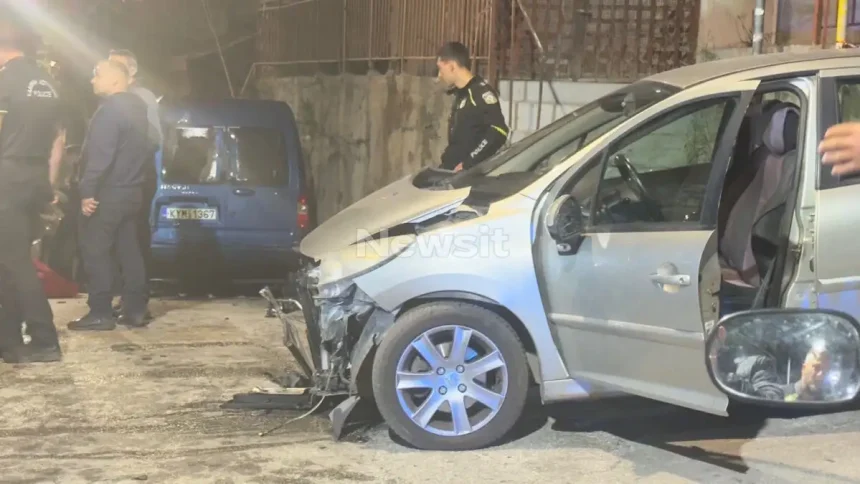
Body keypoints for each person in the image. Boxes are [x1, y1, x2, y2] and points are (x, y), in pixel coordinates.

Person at [68, 59, 150, 331]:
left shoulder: (110, 112)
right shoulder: (139, 109)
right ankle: (135, 309)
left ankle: (100, 312)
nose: (92, 80)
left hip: (108, 194)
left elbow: (100, 156)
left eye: (97, 75)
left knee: (95, 250)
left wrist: (87, 191)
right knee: (129, 249)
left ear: (115, 81)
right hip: (132, 192)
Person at [0, 23, 64, 363]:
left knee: (15, 261)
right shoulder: (47, 82)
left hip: (7, 176)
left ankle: (44, 338)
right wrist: (49, 184)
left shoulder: (5, 81)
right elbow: (58, 138)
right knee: (8, 259)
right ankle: (9, 338)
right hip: (35, 176)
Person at [107, 49, 161, 321]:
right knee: (121, 239)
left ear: (132, 72)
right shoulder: (115, 100)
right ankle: (127, 297)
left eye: (115, 66)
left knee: (135, 238)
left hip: (136, 177)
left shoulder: (142, 98)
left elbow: (154, 138)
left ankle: (137, 300)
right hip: (121, 178)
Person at [436, 41, 509, 172]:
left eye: (441, 69)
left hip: (467, 176)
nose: (439, 75)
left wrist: (469, 162)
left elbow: (499, 131)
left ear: (452, 66)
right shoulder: (461, 94)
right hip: (450, 171)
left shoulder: (480, 93)